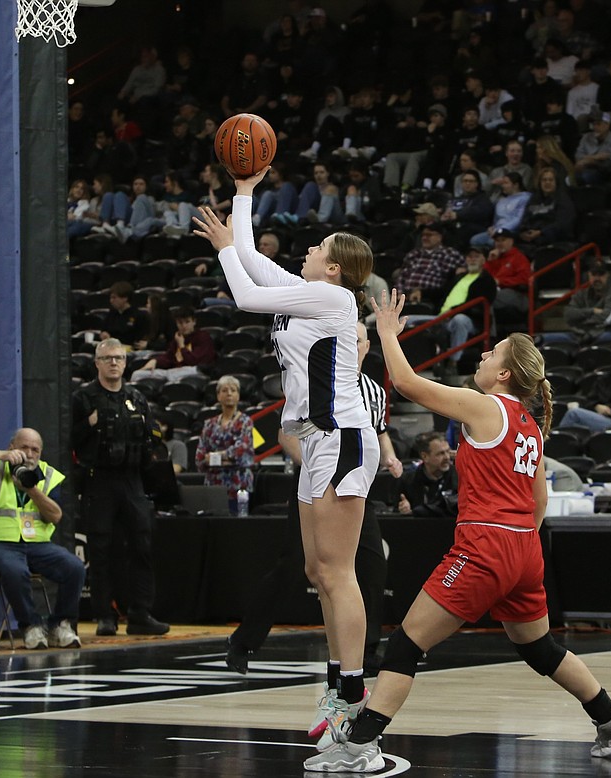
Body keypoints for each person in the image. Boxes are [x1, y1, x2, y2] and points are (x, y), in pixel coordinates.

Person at [305, 300, 611, 772]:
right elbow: (539, 502)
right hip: (525, 546)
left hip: (486, 545)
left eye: (492, 354)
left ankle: (360, 744)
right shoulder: (530, 427)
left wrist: (386, 332)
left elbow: (405, 384)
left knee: (406, 644)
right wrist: (514, 547)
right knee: (539, 648)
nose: (482, 357)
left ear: (505, 375)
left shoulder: (485, 407)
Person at [191, 169, 381, 748]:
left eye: (318, 248)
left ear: (334, 268)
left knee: (338, 572)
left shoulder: (333, 296)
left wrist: (224, 250)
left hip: (343, 433)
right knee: (316, 571)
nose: (307, 248)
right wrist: (244, 190)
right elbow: (251, 258)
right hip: (318, 437)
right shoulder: (311, 293)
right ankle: (337, 686)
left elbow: (245, 291)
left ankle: (353, 697)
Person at [225, 322, 403, 677]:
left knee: (370, 563)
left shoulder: (373, 391)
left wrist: (391, 457)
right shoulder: (315, 381)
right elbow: (287, 433)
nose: (350, 346)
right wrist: (315, 465)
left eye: (356, 342)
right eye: (344, 341)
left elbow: (379, 432)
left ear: (366, 348)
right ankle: (243, 641)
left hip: (353, 483)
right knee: (295, 565)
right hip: (314, 479)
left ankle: (364, 651)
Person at [0, 428, 86, 650]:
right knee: (15, 570)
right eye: (24, 447)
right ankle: (31, 626)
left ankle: (60, 625)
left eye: (35, 450)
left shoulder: (48, 475)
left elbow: (55, 516)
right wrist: (1, 456)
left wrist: (32, 489)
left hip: (37, 546)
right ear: (12, 446)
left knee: (74, 567)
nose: (30, 454)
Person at [71, 338, 171, 637]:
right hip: (99, 479)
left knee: (141, 546)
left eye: (118, 358)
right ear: (97, 363)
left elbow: (153, 435)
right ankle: (105, 616)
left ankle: (140, 613)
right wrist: (89, 425)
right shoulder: (83, 397)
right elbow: (70, 439)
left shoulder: (137, 398)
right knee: (101, 550)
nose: (113, 362)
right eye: (107, 358)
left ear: (126, 363)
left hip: (132, 480)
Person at [433, 246, 497, 383]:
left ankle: (453, 363)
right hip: (442, 317)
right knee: (409, 320)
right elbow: (440, 293)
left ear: (483, 260)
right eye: (469, 256)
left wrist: (455, 310)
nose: (472, 259)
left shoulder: (486, 280)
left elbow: (479, 304)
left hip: (471, 320)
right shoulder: (458, 277)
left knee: (459, 320)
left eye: (476, 256)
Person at [194, 375, 256, 514]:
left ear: (238, 396)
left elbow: (241, 453)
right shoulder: (209, 424)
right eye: (224, 390)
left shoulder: (246, 422)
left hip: (238, 486)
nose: (229, 393)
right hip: (213, 486)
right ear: (218, 396)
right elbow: (200, 456)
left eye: (233, 390)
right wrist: (226, 459)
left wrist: (215, 457)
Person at [130, 307, 215, 386]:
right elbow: (169, 357)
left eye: (187, 322)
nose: (184, 326)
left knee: (172, 376)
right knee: (137, 374)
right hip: (172, 372)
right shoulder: (177, 338)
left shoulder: (203, 337)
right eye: (180, 323)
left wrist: (182, 346)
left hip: (195, 371)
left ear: (194, 322)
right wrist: (155, 361)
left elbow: (194, 361)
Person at [551, 261, 611, 344]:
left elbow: (608, 318)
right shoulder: (581, 294)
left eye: (601, 274)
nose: (597, 278)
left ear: (607, 275)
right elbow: (568, 314)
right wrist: (592, 311)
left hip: (604, 334)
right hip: (579, 335)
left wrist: (583, 323)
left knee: (606, 337)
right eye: (594, 274)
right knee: (544, 339)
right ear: (588, 275)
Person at [393, 223, 465, 310]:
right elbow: (402, 277)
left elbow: (469, 267)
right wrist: (400, 293)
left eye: (429, 235)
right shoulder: (413, 254)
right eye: (423, 235)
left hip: (429, 299)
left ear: (440, 237)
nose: (424, 238)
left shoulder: (450, 254)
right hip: (406, 297)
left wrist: (464, 270)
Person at [396, 432, 458, 518]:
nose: (447, 457)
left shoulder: (459, 477)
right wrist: (405, 510)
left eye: (448, 451)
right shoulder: (407, 480)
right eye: (441, 453)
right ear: (425, 456)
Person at [99, 282, 149, 349]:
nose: (111, 301)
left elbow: (138, 339)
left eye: (114, 298)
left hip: (127, 348)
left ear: (125, 298)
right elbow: (104, 330)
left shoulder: (138, 315)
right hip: (110, 347)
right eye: (110, 298)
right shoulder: (112, 314)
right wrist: (104, 334)